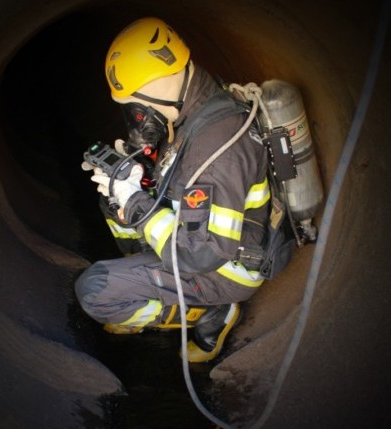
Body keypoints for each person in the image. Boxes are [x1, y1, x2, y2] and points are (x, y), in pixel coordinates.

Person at [74, 17, 274, 363]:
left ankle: (211, 311)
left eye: (135, 107)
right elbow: (181, 188)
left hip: (224, 267)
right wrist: (132, 182)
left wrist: (135, 201)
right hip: (197, 241)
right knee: (113, 199)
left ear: (158, 85)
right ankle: (145, 275)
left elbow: (201, 255)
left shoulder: (217, 144)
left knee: (95, 292)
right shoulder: (195, 111)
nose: (137, 117)